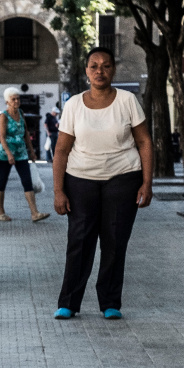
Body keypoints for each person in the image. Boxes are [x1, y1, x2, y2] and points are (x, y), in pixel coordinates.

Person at [51, 47, 152, 320]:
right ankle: (69, 302)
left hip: (123, 178)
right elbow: (61, 150)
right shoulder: (73, 105)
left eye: (105, 66)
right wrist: (58, 190)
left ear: (113, 70)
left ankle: (110, 302)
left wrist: (147, 183)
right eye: (94, 66)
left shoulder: (127, 101)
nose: (99, 71)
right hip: (80, 179)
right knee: (79, 241)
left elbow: (144, 142)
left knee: (115, 241)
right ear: (86, 71)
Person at [0, 87, 49, 223]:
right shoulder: (4, 115)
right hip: (5, 154)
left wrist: (32, 151)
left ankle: (35, 213)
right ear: (7, 101)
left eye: (18, 98)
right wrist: (8, 153)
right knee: (2, 181)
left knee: (27, 181)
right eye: (13, 99)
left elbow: (25, 133)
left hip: (21, 153)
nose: (16, 101)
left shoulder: (21, 112)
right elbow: (2, 136)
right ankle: (1, 212)